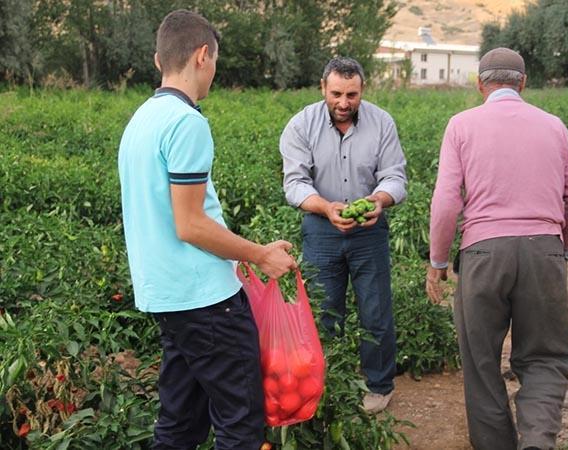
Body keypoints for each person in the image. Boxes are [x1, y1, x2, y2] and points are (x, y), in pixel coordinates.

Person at [118, 10, 296, 450]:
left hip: (167, 297)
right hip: (207, 301)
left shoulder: (141, 120)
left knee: (180, 424)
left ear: (160, 60)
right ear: (202, 56)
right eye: (214, 60)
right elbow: (191, 223)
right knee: (241, 427)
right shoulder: (187, 122)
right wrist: (260, 253)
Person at [426, 47, 568, 450]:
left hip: (483, 255)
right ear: (524, 83)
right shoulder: (553, 126)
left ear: (480, 84)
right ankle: (536, 440)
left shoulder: (461, 125)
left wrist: (438, 262)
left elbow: (447, 200)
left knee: (481, 364)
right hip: (543, 251)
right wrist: (563, 252)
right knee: (545, 358)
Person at [279, 57, 407, 414]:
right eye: (336, 93)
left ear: (362, 90)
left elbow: (394, 176)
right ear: (323, 88)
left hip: (370, 230)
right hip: (321, 229)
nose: (344, 102)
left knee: (376, 310)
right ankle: (324, 382)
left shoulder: (381, 123)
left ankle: (379, 385)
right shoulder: (301, 125)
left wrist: (378, 200)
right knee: (323, 311)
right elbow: (295, 182)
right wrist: (325, 207)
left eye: (352, 94)